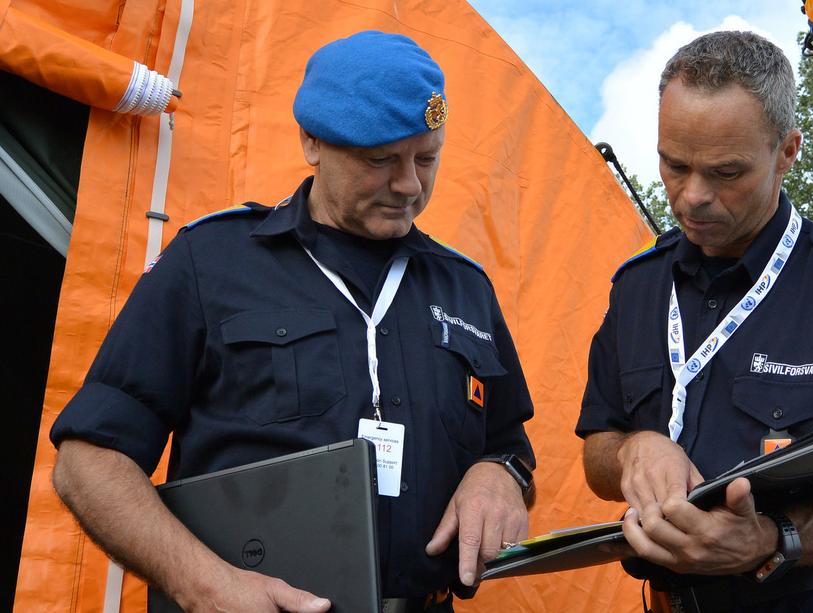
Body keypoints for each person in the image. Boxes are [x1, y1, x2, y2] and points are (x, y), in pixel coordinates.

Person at [50, 31, 535, 613]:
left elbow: (509, 446)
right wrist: (202, 584)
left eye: (426, 158)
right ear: (311, 141)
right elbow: (89, 462)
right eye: (381, 160)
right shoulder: (210, 261)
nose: (409, 184)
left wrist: (500, 474)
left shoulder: (466, 288)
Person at [576, 31, 813, 612]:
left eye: (726, 173)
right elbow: (598, 448)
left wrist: (772, 540)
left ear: (787, 151)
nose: (692, 196)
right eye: (673, 165)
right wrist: (632, 450)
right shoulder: (636, 287)